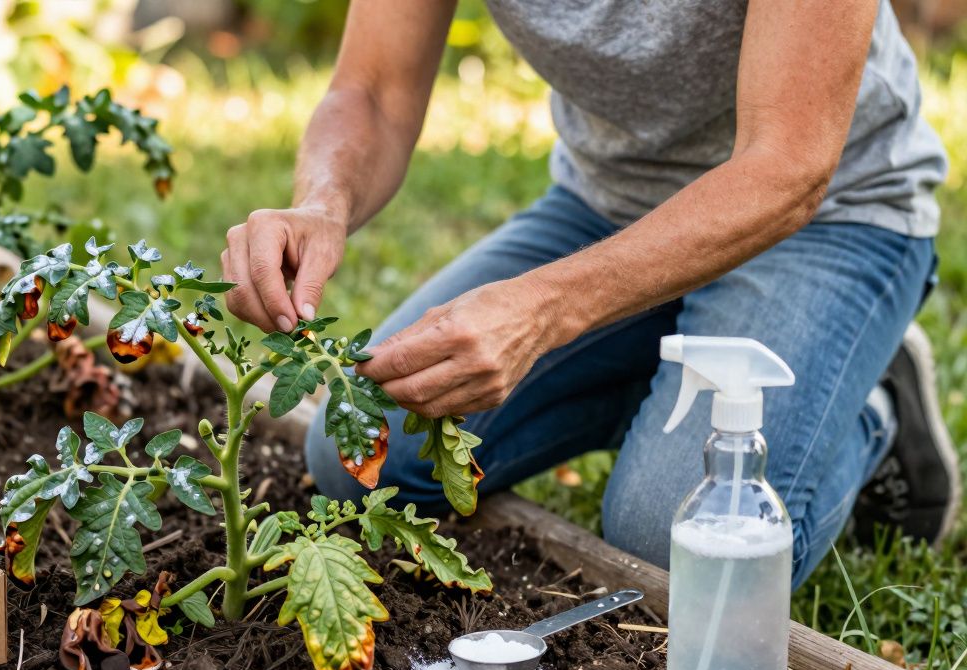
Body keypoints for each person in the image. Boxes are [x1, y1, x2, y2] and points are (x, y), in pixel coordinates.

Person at [220, 0, 959, 587]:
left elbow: (787, 167)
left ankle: (871, 406)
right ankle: (668, 381)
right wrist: (322, 204)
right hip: (609, 206)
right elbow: (375, 91)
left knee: (682, 549)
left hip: (826, 218)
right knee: (362, 457)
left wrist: (544, 309)